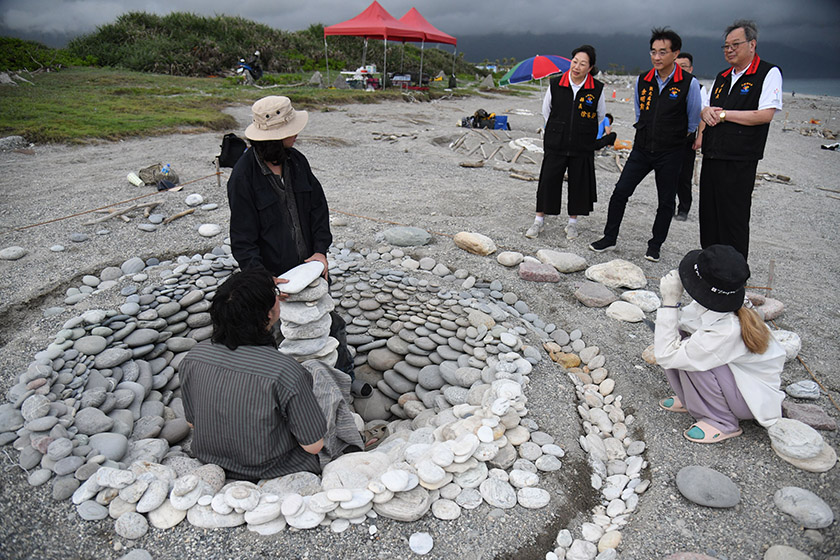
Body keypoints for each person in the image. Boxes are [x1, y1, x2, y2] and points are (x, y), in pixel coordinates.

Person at [227, 96, 368, 395]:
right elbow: (242, 238)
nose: (297, 133)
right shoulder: (243, 177)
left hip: (309, 266)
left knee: (331, 326)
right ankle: (292, 395)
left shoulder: (297, 161)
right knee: (282, 338)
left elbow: (319, 208)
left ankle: (343, 378)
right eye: (292, 129)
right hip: (276, 277)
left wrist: (320, 252)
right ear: (276, 138)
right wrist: (263, 280)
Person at [180, 269, 328, 480]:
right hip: (273, 469)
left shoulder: (194, 356)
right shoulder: (285, 371)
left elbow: (192, 423)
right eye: (275, 297)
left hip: (212, 461)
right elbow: (313, 446)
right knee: (326, 380)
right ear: (269, 314)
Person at [589, 28, 702, 262]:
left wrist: (674, 138)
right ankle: (609, 238)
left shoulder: (689, 84)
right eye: (653, 52)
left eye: (663, 52)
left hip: (671, 151)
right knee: (620, 192)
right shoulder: (643, 79)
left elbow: (692, 121)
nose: (657, 57)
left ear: (675, 53)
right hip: (641, 149)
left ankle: (655, 245)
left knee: (666, 201)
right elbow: (640, 113)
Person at [654, 245, 785, 443]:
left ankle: (722, 421)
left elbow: (666, 355)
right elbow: (679, 327)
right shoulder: (722, 306)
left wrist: (670, 301)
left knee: (692, 356)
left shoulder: (727, 329)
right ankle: (692, 400)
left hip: (749, 399)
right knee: (681, 338)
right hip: (735, 380)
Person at [699, 20, 783, 259]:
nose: (729, 50)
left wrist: (724, 115)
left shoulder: (768, 73)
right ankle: (709, 266)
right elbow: (706, 107)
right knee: (709, 214)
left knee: (733, 217)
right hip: (712, 154)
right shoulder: (722, 76)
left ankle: (733, 275)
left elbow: (765, 114)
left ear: (752, 44)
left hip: (740, 158)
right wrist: (705, 112)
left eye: (736, 44)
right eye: (726, 46)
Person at [525, 45, 606, 241]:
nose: (577, 67)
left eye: (583, 64)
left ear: (590, 67)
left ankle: (572, 224)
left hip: (582, 144)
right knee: (548, 180)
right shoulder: (556, 84)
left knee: (579, 184)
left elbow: (600, 115)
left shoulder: (596, 89)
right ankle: (539, 221)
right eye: (575, 62)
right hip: (556, 142)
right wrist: (558, 128)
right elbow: (547, 111)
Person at [674, 52, 708, 221]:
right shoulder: (671, 86)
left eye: (683, 67)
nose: (680, 70)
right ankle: (667, 206)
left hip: (688, 139)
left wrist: (700, 137)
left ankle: (683, 209)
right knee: (668, 173)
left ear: (691, 68)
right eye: (676, 66)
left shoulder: (699, 88)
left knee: (684, 175)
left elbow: (703, 115)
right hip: (670, 138)